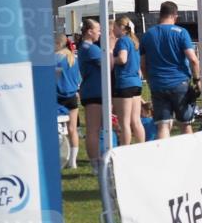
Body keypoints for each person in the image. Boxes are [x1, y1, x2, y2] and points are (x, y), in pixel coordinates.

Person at [141, 1, 201, 139]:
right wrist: (197, 80)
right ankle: (189, 156)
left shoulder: (148, 34)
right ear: (175, 16)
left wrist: (150, 81)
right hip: (179, 83)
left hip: (158, 84)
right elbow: (193, 60)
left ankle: (165, 157)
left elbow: (143, 65)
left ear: (160, 15)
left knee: (163, 126)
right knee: (185, 125)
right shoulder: (181, 32)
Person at [77, 19, 107, 170]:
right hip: (93, 92)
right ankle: (95, 163)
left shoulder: (89, 47)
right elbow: (109, 64)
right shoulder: (91, 49)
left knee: (98, 128)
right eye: (98, 30)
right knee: (93, 129)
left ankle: (99, 159)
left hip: (95, 91)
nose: (100, 33)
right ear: (89, 31)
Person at [111, 16, 145, 146]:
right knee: (136, 120)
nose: (113, 30)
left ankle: (125, 150)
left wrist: (109, 59)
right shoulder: (134, 41)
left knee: (124, 122)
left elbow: (123, 59)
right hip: (136, 83)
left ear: (121, 28)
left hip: (125, 83)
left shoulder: (122, 41)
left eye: (114, 27)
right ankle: (142, 147)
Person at [54, 33, 81, 168]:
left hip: (57, 97)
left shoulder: (54, 58)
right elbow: (78, 79)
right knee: (73, 129)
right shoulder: (73, 58)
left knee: (57, 129)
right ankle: (73, 162)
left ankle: (60, 157)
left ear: (57, 44)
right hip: (72, 97)